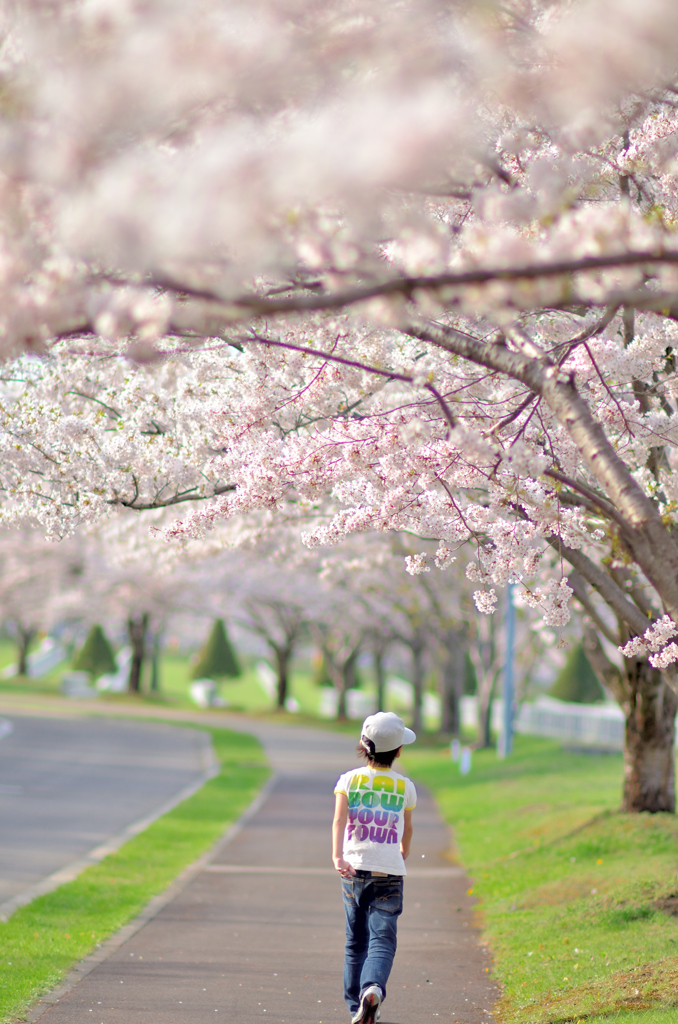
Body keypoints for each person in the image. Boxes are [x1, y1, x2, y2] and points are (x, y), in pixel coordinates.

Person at [332, 712, 417, 1024]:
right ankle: (373, 991)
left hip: (352, 870)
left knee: (355, 941)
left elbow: (339, 821)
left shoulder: (348, 781)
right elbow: (407, 829)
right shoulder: (405, 787)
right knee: (382, 939)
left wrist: (337, 856)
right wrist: (403, 851)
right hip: (389, 873)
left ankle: (357, 1006)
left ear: (363, 746)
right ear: (398, 751)